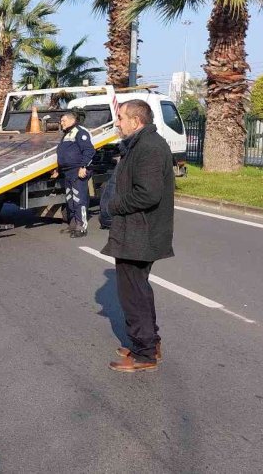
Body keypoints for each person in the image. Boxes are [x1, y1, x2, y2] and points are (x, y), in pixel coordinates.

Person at [102, 100, 174, 373]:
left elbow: (148, 194)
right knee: (138, 290)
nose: (117, 122)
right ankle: (149, 343)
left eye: (121, 117)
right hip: (136, 230)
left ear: (136, 120)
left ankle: (145, 353)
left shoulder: (149, 147)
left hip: (140, 232)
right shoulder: (141, 144)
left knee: (133, 293)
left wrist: (114, 205)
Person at [51, 111, 96, 238]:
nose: (61, 123)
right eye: (61, 121)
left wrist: (83, 167)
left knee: (79, 199)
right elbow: (63, 153)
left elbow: (89, 151)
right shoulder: (67, 134)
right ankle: (73, 224)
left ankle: (81, 228)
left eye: (63, 121)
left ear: (72, 120)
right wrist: (58, 169)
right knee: (70, 200)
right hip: (67, 172)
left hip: (77, 171)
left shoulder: (80, 132)